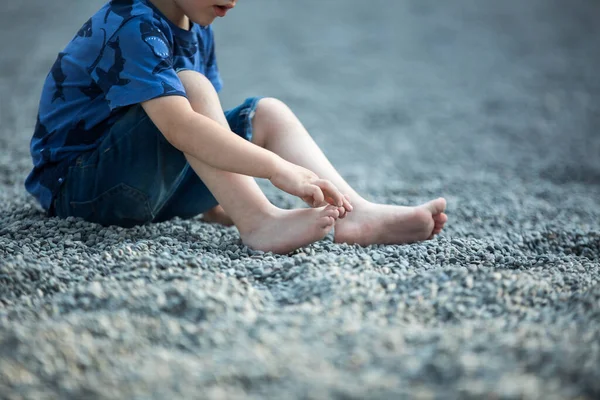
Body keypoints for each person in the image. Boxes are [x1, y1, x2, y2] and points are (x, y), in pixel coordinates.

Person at [25, 0, 448, 254]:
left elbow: (205, 131)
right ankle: (259, 219)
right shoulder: (130, 23)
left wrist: (211, 203)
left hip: (144, 186)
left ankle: (356, 214)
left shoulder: (195, 23)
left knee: (266, 111)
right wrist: (274, 169)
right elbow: (181, 129)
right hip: (82, 191)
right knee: (190, 87)